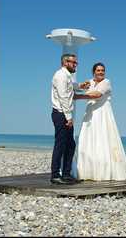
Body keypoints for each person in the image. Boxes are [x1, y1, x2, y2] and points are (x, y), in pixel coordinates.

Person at [71, 62, 126, 181]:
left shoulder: (106, 82)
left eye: (102, 70)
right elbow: (80, 87)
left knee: (103, 138)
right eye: (98, 70)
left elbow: (97, 94)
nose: (101, 72)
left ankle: (105, 170)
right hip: (91, 112)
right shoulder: (90, 82)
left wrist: (78, 96)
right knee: (87, 139)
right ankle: (86, 169)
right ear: (93, 72)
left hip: (102, 113)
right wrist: (81, 86)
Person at [51, 53, 90, 184]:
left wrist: (81, 86)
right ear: (65, 62)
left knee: (70, 145)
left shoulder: (68, 76)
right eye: (73, 63)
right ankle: (55, 175)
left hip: (64, 114)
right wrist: (68, 117)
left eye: (76, 63)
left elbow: (72, 87)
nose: (75, 65)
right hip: (61, 113)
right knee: (60, 145)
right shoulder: (61, 76)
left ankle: (66, 174)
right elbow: (63, 97)